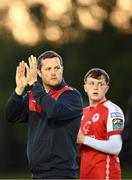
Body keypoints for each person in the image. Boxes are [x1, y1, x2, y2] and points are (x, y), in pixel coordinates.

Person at [5, 50, 83, 179]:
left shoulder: (71, 95)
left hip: (61, 174)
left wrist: (34, 84)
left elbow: (53, 111)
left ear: (62, 70)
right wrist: (18, 90)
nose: (53, 72)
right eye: (48, 69)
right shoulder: (33, 95)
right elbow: (11, 116)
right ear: (39, 73)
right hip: (37, 174)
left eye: (57, 68)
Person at [77, 68, 125, 179]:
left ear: (106, 88)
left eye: (100, 84)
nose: (96, 87)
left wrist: (84, 139)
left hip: (105, 174)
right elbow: (82, 149)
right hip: (86, 174)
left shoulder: (113, 110)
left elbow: (116, 147)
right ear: (85, 87)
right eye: (92, 83)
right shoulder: (82, 113)